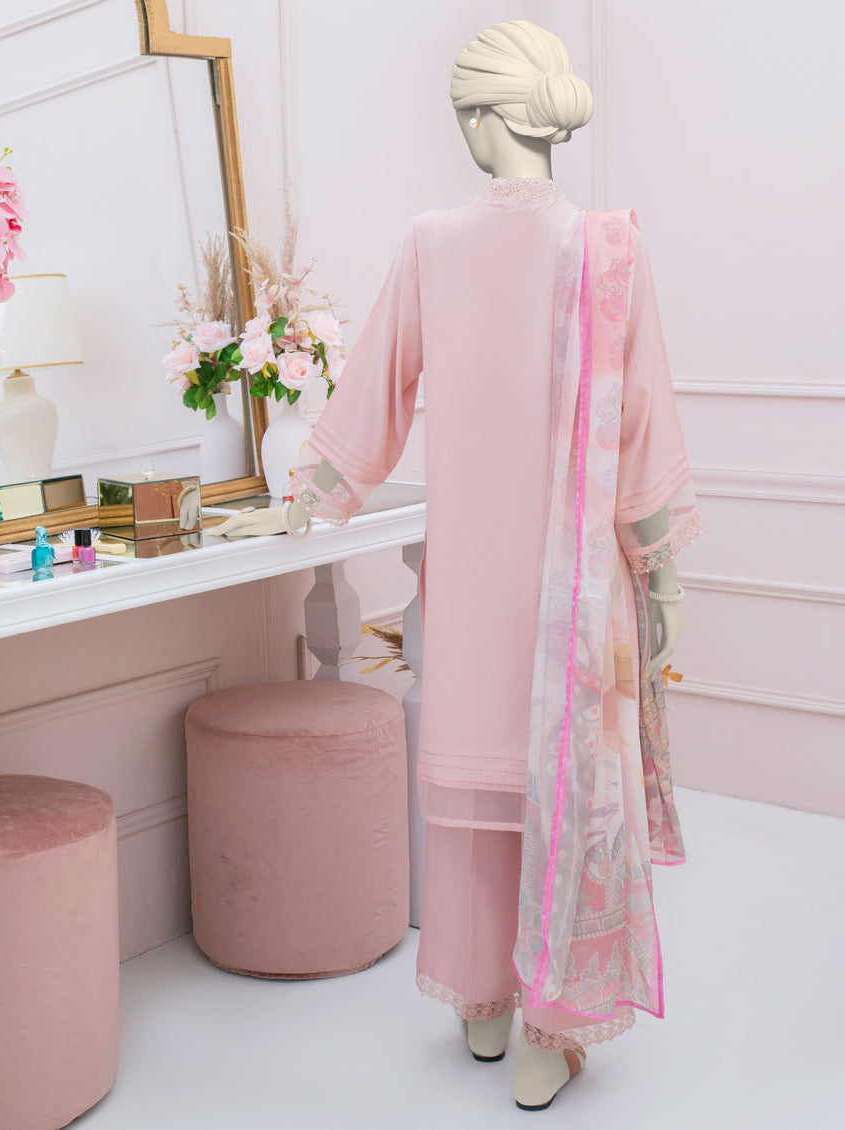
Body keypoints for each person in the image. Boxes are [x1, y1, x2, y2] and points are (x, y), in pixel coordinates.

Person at [283, 19, 701, 1111]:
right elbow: (641, 421)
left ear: (478, 119)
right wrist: (660, 576)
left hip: (470, 580)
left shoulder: (431, 242)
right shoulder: (609, 250)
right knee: (562, 782)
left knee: (477, 783)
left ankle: (482, 1000)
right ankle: (551, 1024)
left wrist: (305, 503)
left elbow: (373, 392)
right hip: (575, 590)